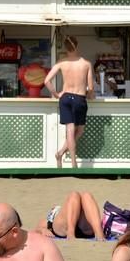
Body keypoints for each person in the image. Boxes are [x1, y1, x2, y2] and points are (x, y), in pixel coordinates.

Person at [44, 36, 94, 168]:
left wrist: (56, 94)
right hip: (79, 98)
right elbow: (91, 88)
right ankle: (73, 163)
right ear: (77, 46)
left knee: (71, 130)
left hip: (65, 98)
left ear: (65, 48)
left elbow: (46, 81)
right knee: (79, 131)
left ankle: (60, 154)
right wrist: (90, 95)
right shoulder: (86, 63)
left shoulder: (61, 62)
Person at [35, 191, 106, 240]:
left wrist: (41, 229)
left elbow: (40, 226)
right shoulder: (57, 211)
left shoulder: (57, 211)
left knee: (83, 195)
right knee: (77, 195)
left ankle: (71, 232)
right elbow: (38, 228)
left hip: (70, 226)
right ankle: (99, 232)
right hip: (76, 227)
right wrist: (42, 230)